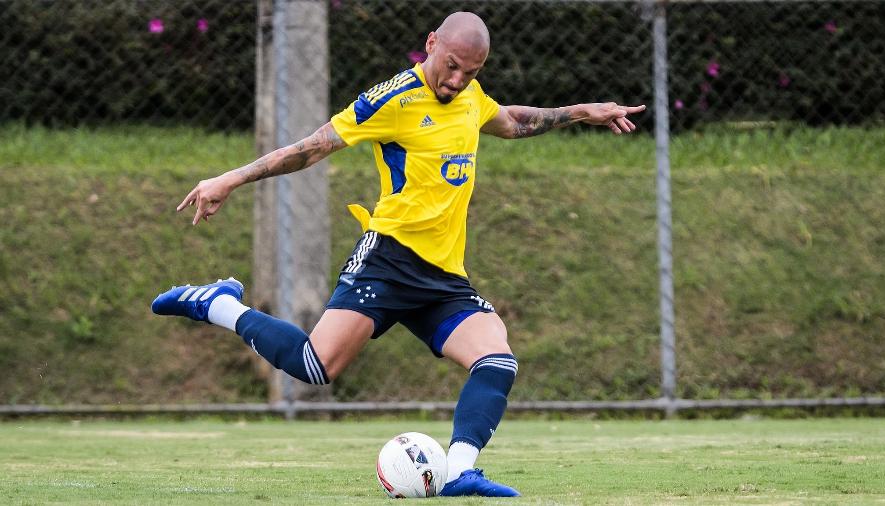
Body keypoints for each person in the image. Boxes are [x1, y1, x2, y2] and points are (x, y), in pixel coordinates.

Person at [152, 11, 645, 497]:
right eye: (451, 65)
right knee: (315, 366)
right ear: (431, 43)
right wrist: (230, 179)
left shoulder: (469, 94)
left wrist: (584, 111)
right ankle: (218, 304)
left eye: (470, 72)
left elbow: (510, 121)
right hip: (387, 259)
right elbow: (313, 147)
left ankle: (458, 473)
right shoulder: (391, 99)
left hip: (444, 275)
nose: (456, 81)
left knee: (497, 361)